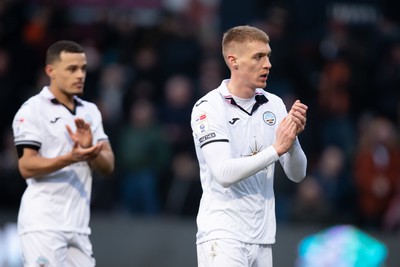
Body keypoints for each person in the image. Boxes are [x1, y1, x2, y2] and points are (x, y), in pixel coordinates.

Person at [190, 25, 308, 267]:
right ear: (234, 61)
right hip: (223, 234)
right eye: (258, 57)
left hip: (263, 237)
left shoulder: (274, 104)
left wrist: (292, 139)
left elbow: (297, 175)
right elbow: (223, 173)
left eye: (268, 56)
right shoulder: (208, 108)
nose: (268, 64)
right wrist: (276, 149)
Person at [12, 40, 115, 266]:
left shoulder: (91, 111)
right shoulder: (32, 111)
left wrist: (90, 152)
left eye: (83, 68)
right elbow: (26, 166)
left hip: (79, 226)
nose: (80, 75)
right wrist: (69, 158)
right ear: (51, 71)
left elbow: (108, 166)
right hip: (43, 225)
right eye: (72, 69)